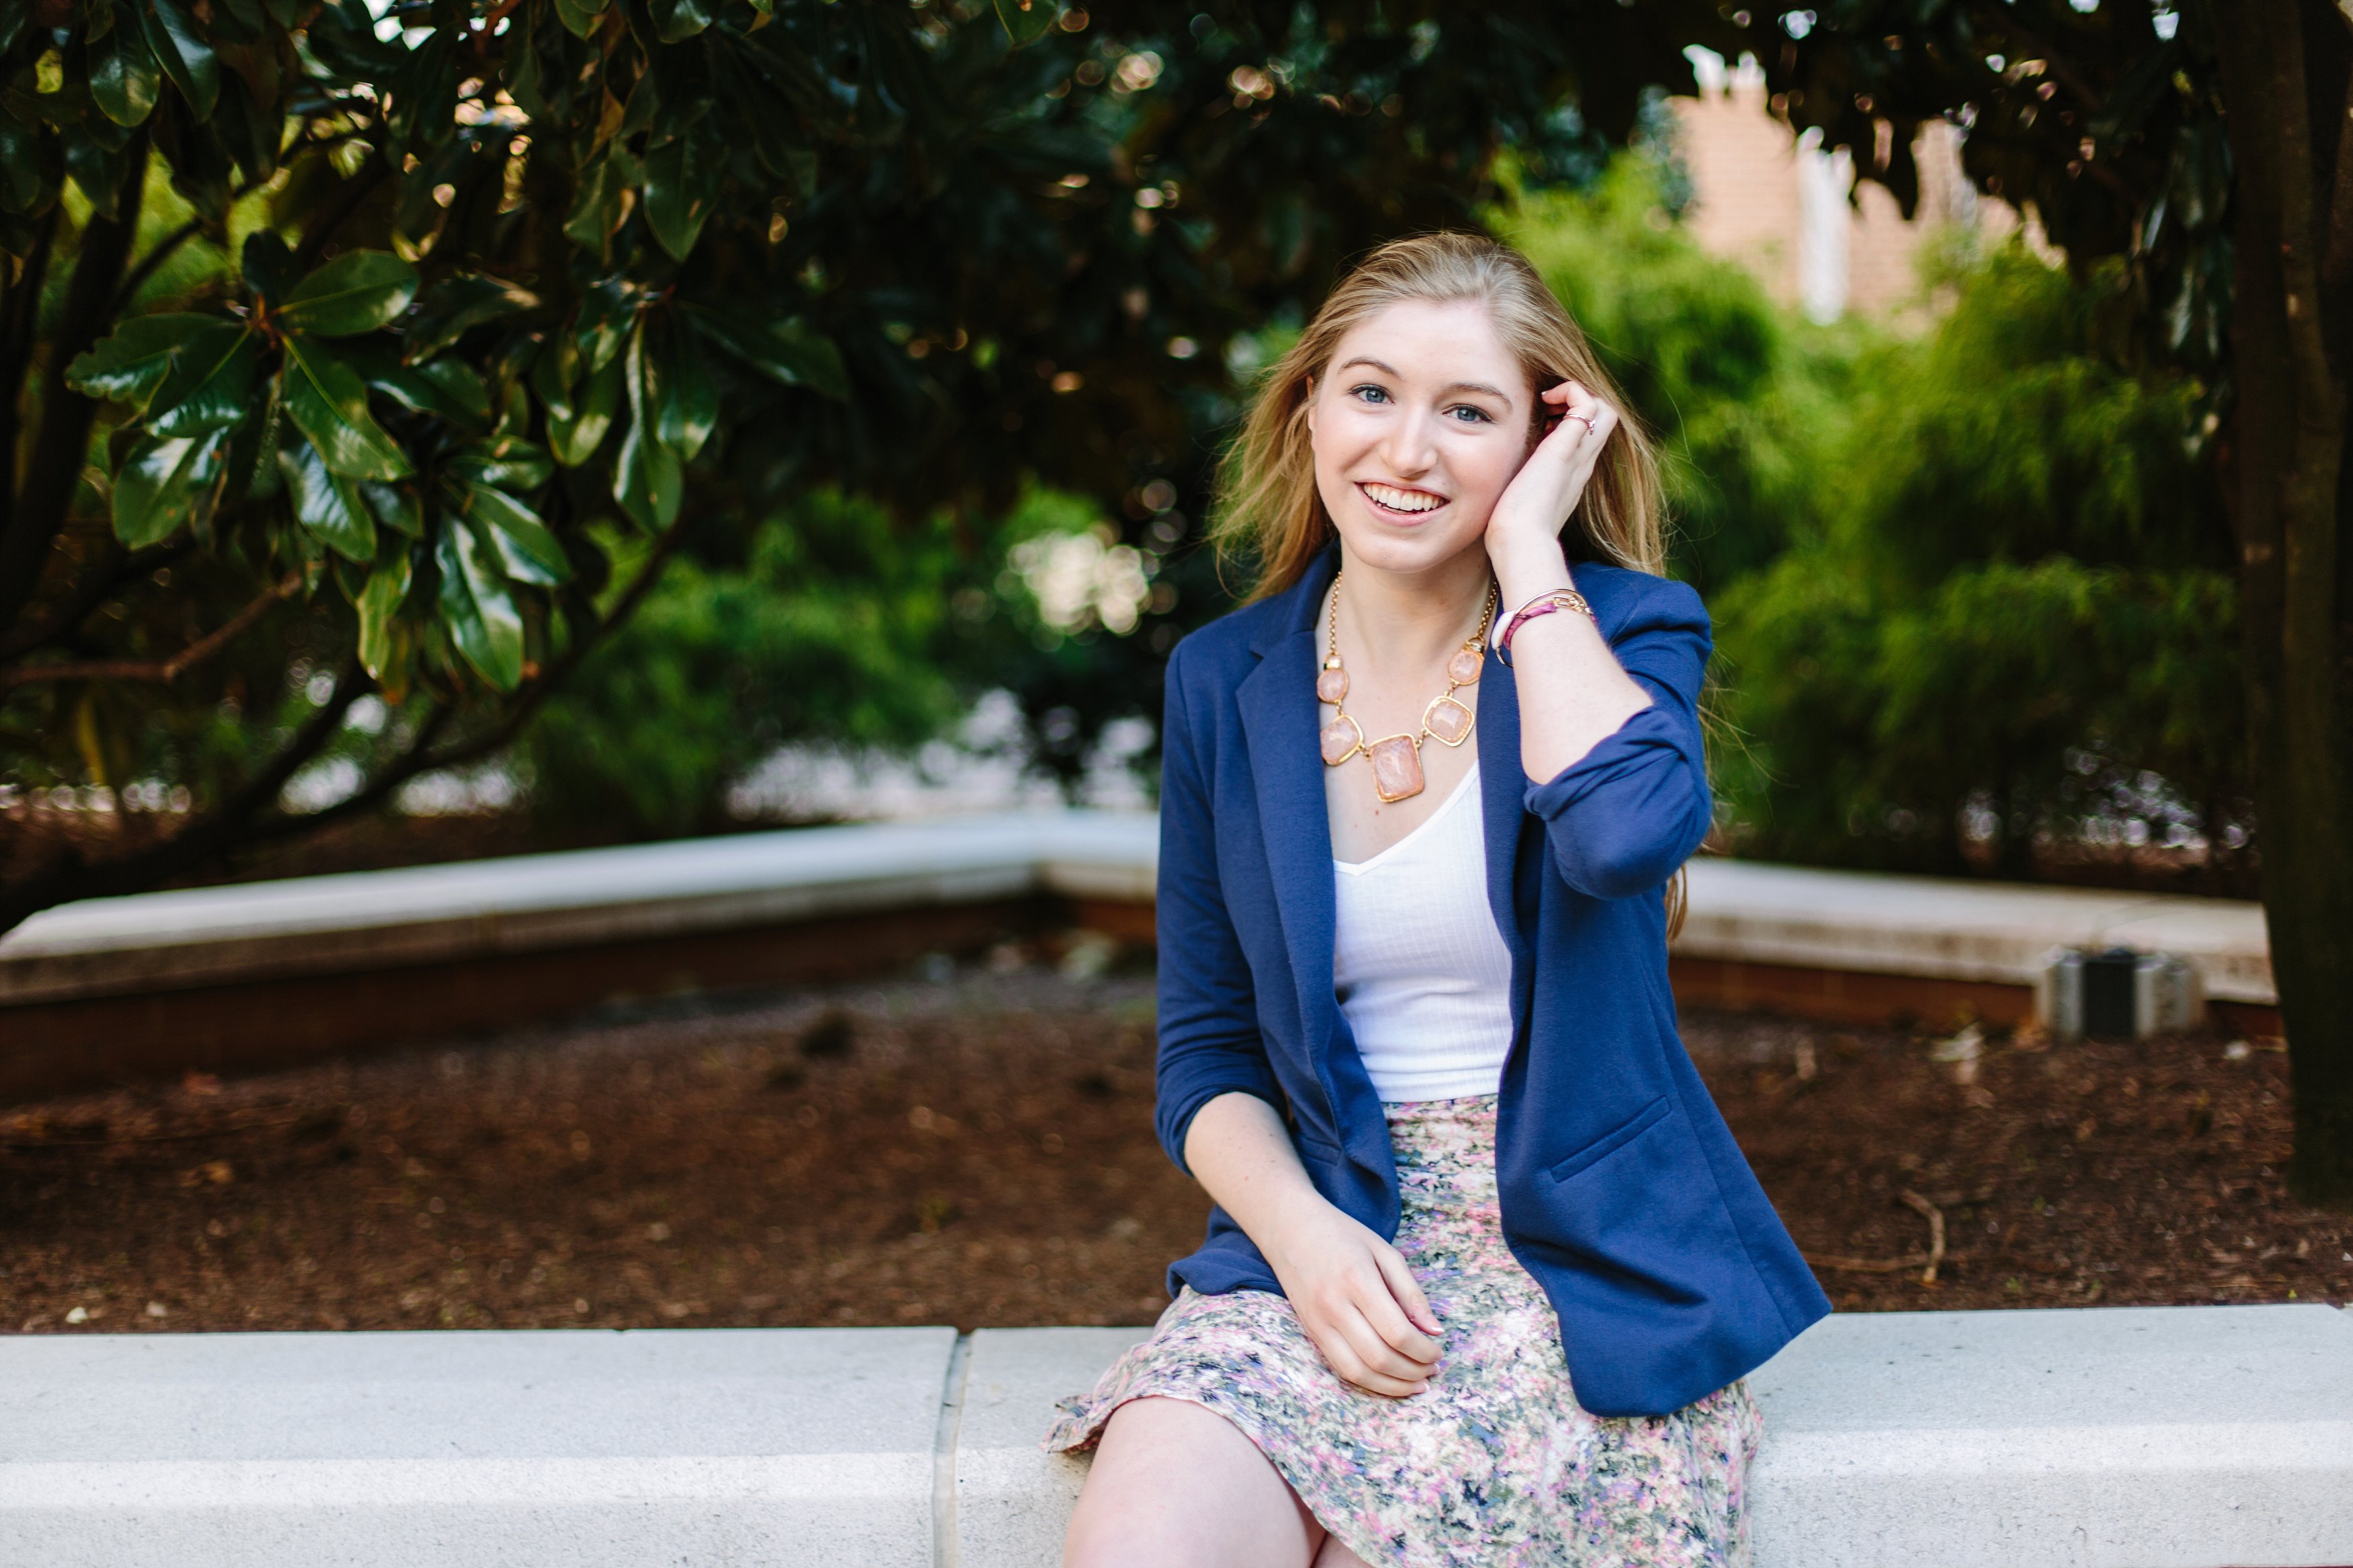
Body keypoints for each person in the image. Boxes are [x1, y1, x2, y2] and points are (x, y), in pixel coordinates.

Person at [1044, 232, 1830, 1568]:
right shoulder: (1221, 682)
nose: (1405, 451)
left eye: (1466, 412)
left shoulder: (1622, 628)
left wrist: (1532, 561)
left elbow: (1626, 834)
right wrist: (1302, 1241)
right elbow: (1207, 1050)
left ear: (1540, 440)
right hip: (1322, 1236)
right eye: (1370, 392)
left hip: (1572, 1270)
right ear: (1306, 410)